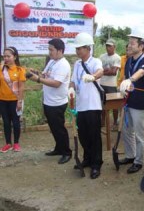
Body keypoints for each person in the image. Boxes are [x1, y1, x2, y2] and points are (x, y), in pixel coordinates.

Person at [27, 39, 72, 164]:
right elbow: (46, 75)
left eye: (51, 50)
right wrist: (37, 73)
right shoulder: (52, 61)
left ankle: (67, 152)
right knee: (53, 128)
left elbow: (57, 83)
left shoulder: (63, 64)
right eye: (49, 49)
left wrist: (37, 80)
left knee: (59, 128)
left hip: (57, 103)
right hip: (49, 101)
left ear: (60, 50)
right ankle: (59, 148)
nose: (49, 52)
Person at [68, 32, 104, 179]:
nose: (77, 51)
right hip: (81, 105)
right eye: (76, 48)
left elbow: (100, 71)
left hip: (93, 105)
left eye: (80, 48)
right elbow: (73, 80)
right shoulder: (77, 64)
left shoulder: (95, 62)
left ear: (88, 48)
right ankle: (87, 159)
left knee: (94, 136)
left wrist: (93, 76)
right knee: (83, 135)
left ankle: (96, 164)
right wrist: (71, 88)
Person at [119, 28, 144, 174]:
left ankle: (139, 161)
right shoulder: (129, 61)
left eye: (133, 43)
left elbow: (141, 72)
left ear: (141, 46)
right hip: (128, 102)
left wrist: (130, 80)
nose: (129, 45)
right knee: (127, 131)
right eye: (129, 43)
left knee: (139, 134)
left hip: (139, 104)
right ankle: (130, 155)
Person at [0, 47, 25, 152]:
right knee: (6, 122)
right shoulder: (1, 69)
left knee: (15, 122)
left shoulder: (20, 70)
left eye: (8, 56)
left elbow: (21, 87)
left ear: (14, 57)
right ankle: (8, 143)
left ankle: (16, 143)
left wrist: (19, 101)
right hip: (2, 99)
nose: (6, 58)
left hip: (15, 100)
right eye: (4, 56)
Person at [100, 38, 121, 129]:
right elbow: (98, 69)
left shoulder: (117, 57)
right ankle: (102, 122)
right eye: (107, 46)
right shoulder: (102, 57)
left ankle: (115, 122)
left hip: (112, 85)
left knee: (114, 105)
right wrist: (105, 71)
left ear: (114, 47)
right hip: (102, 83)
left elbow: (113, 72)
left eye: (110, 46)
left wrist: (102, 72)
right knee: (102, 104)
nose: (108, 48)